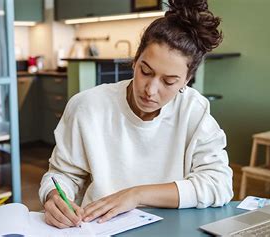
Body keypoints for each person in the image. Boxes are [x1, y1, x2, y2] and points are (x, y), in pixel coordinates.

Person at [39, 0, 233, 229]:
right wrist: (53, 196)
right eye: (145, 71)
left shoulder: (193, 110)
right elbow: (62, 175)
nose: (150, 90)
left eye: (169, 81)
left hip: (171, 229)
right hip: (99, 228)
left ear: (186, 80)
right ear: (135, 60)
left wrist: (136, 195)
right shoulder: (88, 106)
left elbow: (219, 184)